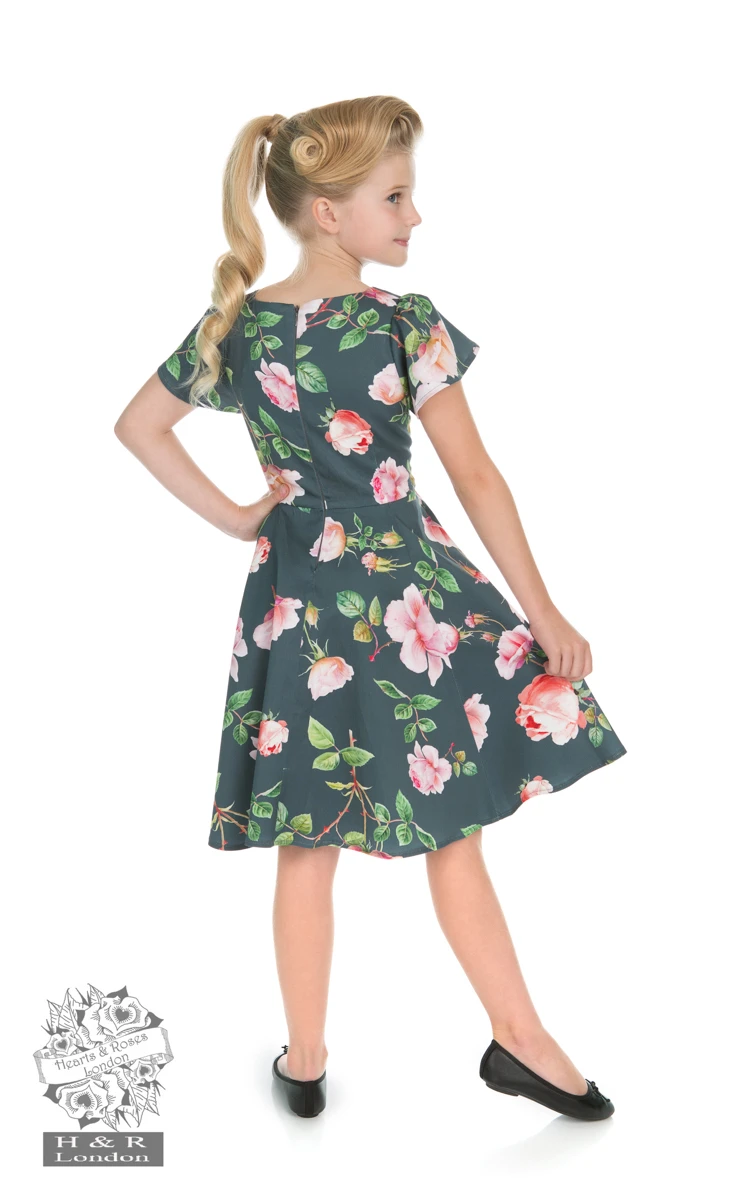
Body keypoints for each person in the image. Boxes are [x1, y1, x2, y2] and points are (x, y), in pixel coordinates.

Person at [113, 95, 626, 1121]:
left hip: (298, 604)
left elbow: (139, 425)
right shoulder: (402, 322)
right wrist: (544, 613)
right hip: (408, 596)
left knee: (307, 840)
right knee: (453, 828)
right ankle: (519, 1039)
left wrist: (241, 518)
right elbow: (475, 478)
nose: (414, 216)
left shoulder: (238, 328)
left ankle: (304, 1060)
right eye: (395, 197)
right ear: (327, 211)